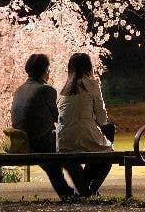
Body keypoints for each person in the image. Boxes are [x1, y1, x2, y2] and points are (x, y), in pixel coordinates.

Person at [10, 54, 78, 200]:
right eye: (49, 69)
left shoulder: (20, 89)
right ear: (45, 70)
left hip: (23, 141)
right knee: (68, 155)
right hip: (39, 141)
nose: (49, 72)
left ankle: (70, 194)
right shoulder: (46, 90)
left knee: (55, 166)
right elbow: (59, 118)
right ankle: (83, 191)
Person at [58, 53, 113, 197]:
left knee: (85, 155)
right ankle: (90, 191)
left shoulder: (63, 88)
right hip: (85, 133)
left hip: (64, 139)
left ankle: (84, 191)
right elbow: (102, 118)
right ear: (89, 67)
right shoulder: (92, 85)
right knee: (108, 155)